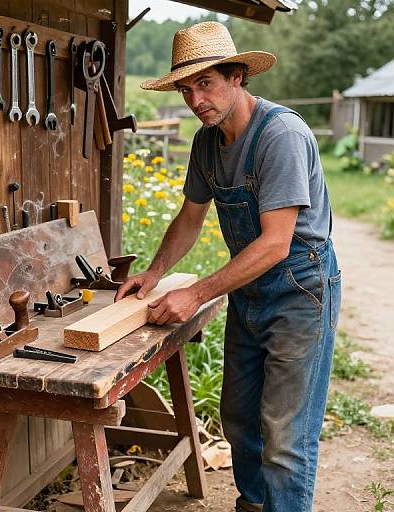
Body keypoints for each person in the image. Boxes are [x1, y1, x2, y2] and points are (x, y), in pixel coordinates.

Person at [115, 21, 342, 512]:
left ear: (237, 76)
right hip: (251, 290)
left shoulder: (279, 135)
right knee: (239, 419)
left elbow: (277, 244)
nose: (196, 100)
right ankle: (254, 506)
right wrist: (153, 274)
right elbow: (189, 218)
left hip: (300, 290)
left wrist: (195, 293)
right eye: (186, 88)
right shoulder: (206, 142)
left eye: (206, 84)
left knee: (285, 437)